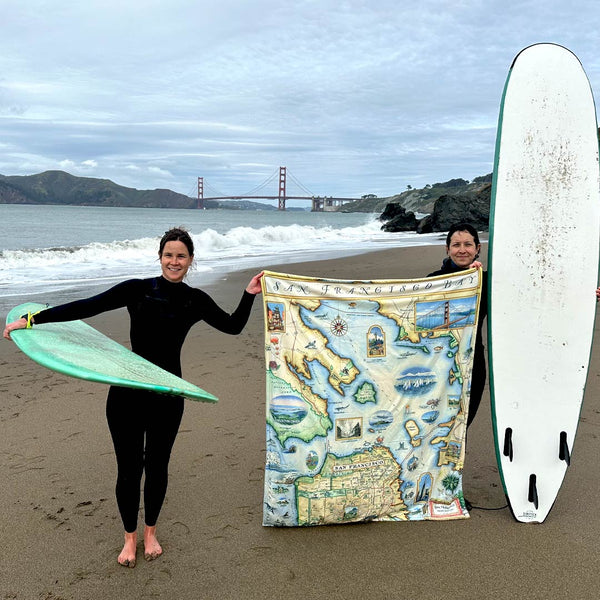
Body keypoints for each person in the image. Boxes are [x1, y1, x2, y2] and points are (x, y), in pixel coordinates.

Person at [3, 227, 263, 568]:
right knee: (128, 470)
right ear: (160, 257)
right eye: (168, 255)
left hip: (168, 395)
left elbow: (232, 326)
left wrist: (249, 293)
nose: (174, 261)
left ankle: (150, 533)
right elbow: (88, 306)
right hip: (126, 395)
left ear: (190, 261)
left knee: (157, 468)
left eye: (181, 256)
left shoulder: (194, 300)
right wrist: (33, 320)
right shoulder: (138, 290)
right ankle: (129, 539)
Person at [427, 223, 486, 428]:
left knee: (462, 424)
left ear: (477, 249)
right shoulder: (433, 281)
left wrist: (587, 295)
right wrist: (463, 280)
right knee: (435, 427)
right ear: (447, 249)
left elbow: (529, 299)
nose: (462, 250)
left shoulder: (485, 283)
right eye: (456, 244)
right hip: (436, 365)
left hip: (472, 365)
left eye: (468, 244)